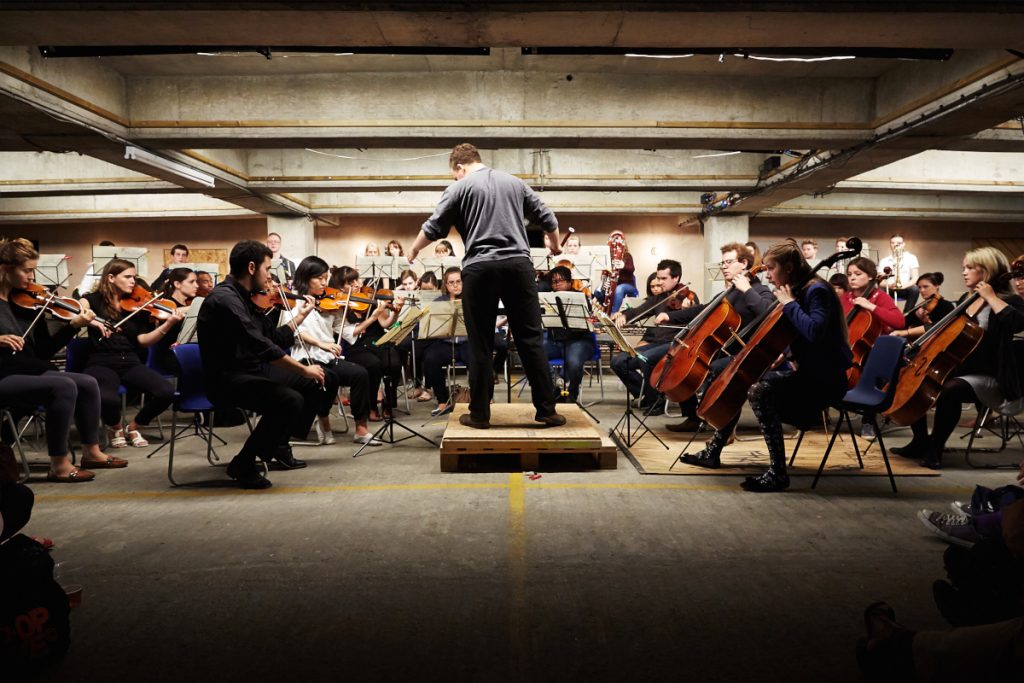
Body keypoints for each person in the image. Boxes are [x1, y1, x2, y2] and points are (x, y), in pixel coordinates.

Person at [410, 142, 563, 429]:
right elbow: (548, 218)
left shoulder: (458, 187)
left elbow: (433, 228)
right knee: (530, 339)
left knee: (479, 342)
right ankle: (547, 410)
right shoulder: (515, 183)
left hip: (479, 269)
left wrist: (414, 250)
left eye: (454, 174)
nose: (455, 179)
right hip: (518, 266)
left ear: (460, 167)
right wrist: (554, 246)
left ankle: (480, 414)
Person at [681, 241, 852, 492]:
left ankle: (777, 473)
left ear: (789, 267)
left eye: (771, 268)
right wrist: (789, 355)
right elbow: (804, 336)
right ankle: (713, 451)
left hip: (825, 380)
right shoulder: (799, 289)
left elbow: (815, 332)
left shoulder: (816, 291)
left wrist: (788, 303)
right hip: (809, 372)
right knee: (741, 380)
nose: (768, 274)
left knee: (759, 391)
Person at [197, 240, 327, 489]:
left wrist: (300, 316)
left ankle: (275, 443)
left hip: (250, 370)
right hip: (226, 379)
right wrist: (302, 368)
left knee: (310, 386)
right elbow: (262, 346)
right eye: (267, 269)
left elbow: (272, 337)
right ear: (251, 267)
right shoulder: (225, 300)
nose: (270, 276)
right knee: (289, 400)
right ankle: (244, 463)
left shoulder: (243, 297)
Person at [0, 238, 127, 482]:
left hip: (28, 370)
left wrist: (72, 327)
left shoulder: (27, 304)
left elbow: (44, 352)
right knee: (64, 385)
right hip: (4, 375)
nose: (32, 277)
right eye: (26, 270)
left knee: (87, 382)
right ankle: (59, 463)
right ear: (5, 269)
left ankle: (92, 452)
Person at [891, 247, 1024, 469]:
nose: (964, 272)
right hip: (963, 365)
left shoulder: (1010, 300)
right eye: (964, 267)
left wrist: (991, 297)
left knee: (950, 390)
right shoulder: (966, 298)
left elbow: (1018, 323)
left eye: (970, 268)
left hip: (989, 372)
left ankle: (936, 449)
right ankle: (920, 441)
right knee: (915, 380)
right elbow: (946, 329)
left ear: (987, 271)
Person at [662, 242, 775, 432]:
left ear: (745, 264)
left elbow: (767, 313)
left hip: (742, 354)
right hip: (722, 348)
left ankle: (718, 421)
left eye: (728, 262)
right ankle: (694, 416)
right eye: (722, 263)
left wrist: (747, 289)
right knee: (679, 360)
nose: (723, 267)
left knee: (713, 368)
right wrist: (670, 316)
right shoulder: (730, 292)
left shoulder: (759, 290)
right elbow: (704, 309)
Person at [78, 259, 180, 449]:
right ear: (110, 278)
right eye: (127, 277)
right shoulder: (92, 300)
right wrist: (93, 321)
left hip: (130, 360)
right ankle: (115, 427)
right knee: (108, 398)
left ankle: (133, 427)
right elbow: (75, 311)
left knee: (166, 392)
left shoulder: (138, 306)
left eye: (134, 277)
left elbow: (143, 340)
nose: (133, 281)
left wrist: (168, 324)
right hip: (101, 361)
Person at [290, 257, 381, 447]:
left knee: (360, 373)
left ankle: (361, 429)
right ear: (306, 277)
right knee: (327, 377)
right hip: (305, 357)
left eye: (326, 277)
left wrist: (372, 318)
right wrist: (321, 344)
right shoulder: (293, 300)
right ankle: (323, 418)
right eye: (320, 278)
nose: (325, 282)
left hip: (328, 356)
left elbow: (347, 331)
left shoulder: (331, 302)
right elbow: (293, 331)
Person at [609, 259, 696, 411]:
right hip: (655, 344)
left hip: (674, 344)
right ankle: (644, 394)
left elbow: (695, 315)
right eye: (658, 277)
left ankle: (655, 401)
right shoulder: (658, 298)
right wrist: (624, 315)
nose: (660, 282)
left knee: (646, 357)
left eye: (664, 279)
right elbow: (638, 311)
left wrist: (689, 307)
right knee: (619, 362)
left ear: (676, 278)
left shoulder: (688, 297)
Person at [333, 266, 402, 422]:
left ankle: (388, 404)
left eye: (357, 280)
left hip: (377, 341)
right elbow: (351, 332)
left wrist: (395, 312)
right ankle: (371, 406)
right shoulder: (340, 307)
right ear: (340, 287)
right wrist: (372, 317)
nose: (357, 285)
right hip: (356, 347)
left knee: (394, 363)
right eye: (350, 283)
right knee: (373, 365)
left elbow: (385, 324)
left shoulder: (370, 298)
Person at [418, 267, 470, 417]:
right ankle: (442, 401)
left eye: (458, 281)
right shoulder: (439, 302)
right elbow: (431, 326)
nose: (455, 285)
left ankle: (481, 399)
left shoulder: (471, 299)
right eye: (451, 282)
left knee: (479, 358)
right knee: (430, 359)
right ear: (446, 285)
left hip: (467, 342)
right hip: (446, 342)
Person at [543, 266, 595, 404]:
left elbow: (587, 322)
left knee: (574, 362)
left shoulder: (580, 296)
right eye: (554, 282)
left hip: (579, 341)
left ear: (569, 282)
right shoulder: (547, 298)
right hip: (555, 341)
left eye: (561, 280)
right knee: (533, 354)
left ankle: (572, 394)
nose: (557, 284)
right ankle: (553, 389)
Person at [839, 257, 906, 333]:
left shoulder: (879, 296)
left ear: (870, 276)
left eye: (858, 274)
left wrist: (871, 306)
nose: (852, 278)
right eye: (849, 274)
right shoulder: (844, 298)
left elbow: (900, 322)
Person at [150, 267, 198, 374]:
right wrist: (197, 307)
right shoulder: (165, 305)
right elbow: (171, 313)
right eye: (191, 282)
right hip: (170, 356)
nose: (196, 285)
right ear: (177, 284)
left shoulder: (189, 304)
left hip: (187, 353)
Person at [892, 272, 955, 340]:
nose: (921, 290)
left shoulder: (946, 306)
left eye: (925, 286)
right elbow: (904, 323)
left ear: (937, 286)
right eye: (919, 287)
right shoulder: (922, 306)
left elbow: (938, 327)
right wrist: (915, 315)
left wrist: (925, 321)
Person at [593, 230, 638, 313]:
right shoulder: (608, 257)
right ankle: (604, 309)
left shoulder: (627, 256)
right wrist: (604, 284)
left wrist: (623, 266)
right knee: (597, 291)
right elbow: (604, 275)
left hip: (627, 285)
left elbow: (632, 269)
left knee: (619, 289)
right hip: (613, 285)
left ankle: (613, 314)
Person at [878, 233, 921, 310]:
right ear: (890, 244)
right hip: (890, 288)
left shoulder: (911, 257)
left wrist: (902, 287)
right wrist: (890, 285)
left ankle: (907, 315)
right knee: (879, 290)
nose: (896, 245)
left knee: (915, 289)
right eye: (893, 243)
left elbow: (915, 278)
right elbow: (880, 281)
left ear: (903, 244)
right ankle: (889, 313)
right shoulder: (884, 261)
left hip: (905, 288)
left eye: (899, 243)